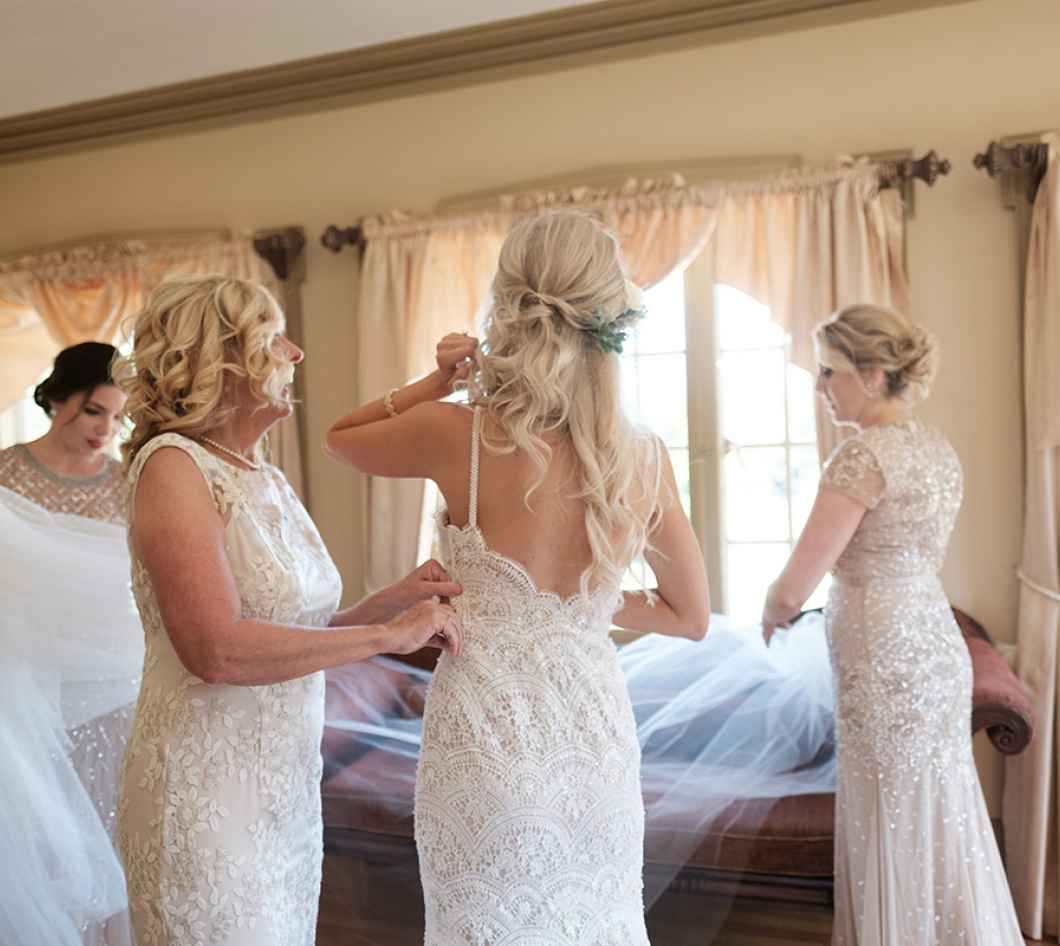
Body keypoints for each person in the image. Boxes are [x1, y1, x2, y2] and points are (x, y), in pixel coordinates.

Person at [326, 209, 711, 946]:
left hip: (485, 738)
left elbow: (339, 439)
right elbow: (689, 616)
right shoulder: (643, 457)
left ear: (507, 303)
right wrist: (587, 600)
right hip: (592, 739)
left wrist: (435, 380)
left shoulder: (456, 433)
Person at [115, 274, 464, 946]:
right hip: (205, 796)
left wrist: (393, 600)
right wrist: (385, 636)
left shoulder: (261, 474)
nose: (295, 353)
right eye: (273, 338)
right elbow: (216, 650)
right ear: (221, 359)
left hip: (282, 791)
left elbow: (292, 636)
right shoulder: (172, 468)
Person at [763, 304, 1024, 945]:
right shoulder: (938, 450)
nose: (820, 386)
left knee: (886, 805)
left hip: (883, 651)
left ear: (874, 375)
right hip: (931, 640)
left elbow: (798, 582)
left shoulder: (861, 457)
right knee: (940, 804)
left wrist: (772, 610)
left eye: (830, 371)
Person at [0, 341, 142, 946]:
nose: (105, 429)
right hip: (26, 683)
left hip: (112, 683)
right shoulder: (3, 472)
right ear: (58, 398)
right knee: (41, 833)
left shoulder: (128, 484)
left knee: (109, 823)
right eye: (93, 411)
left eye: (118, 416)